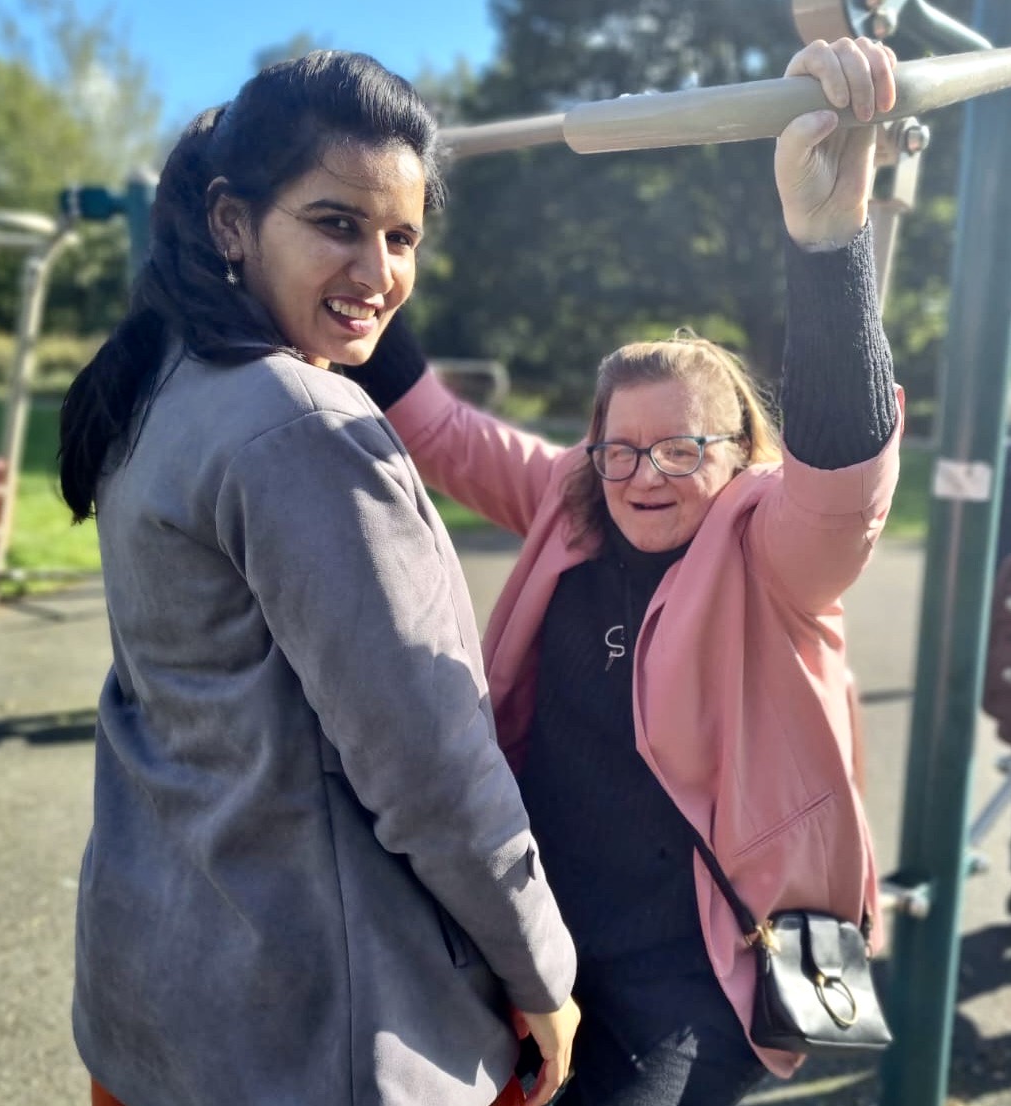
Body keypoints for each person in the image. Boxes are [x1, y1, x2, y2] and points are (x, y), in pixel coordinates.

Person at [346, 36, 903, 1106]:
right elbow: (440, 428)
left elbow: (843, 486)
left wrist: (826, 245)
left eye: (682, 447)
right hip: (538, 937)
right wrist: (356, 275)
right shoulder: (575, 501)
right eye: (621, 447)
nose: (645, 474)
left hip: (689, 967)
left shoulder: (768, 553)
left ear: (741, 456)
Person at [57, 50, 579, 1106]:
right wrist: (541, 970)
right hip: (315, 1024)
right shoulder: (302, 421)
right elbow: (427, 762)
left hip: (157, 995)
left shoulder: (154, 388)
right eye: (336, 223)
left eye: (401, 238)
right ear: (230, 224)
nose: (378, 271)